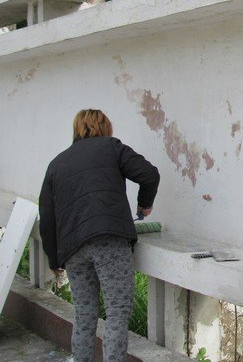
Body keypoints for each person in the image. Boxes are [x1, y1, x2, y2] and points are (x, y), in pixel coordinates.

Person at [39, 109, 159, 362]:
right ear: (105, 127)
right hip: (109, 241)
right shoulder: (112, 148)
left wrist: (53, 259)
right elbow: (149, 174)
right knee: (117, 311)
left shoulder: (57, 163)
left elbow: (47, 217)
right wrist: (144, 204)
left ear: (76, 129)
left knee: (84, 311)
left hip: (73, 248)